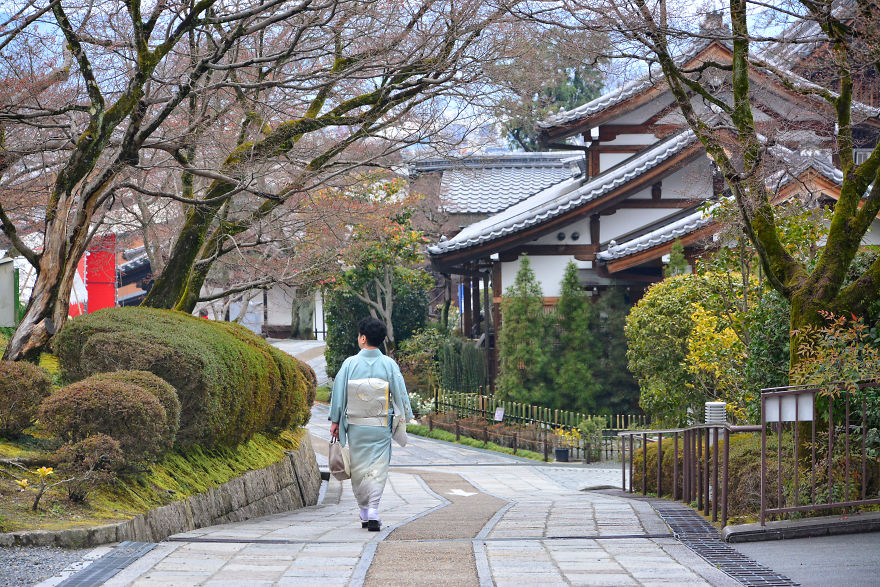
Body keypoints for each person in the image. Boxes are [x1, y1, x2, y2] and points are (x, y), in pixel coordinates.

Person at [329, 317, 413, 531]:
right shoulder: (389, 364)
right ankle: (373, 509)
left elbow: (339, 395)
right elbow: (400, 394)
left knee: (357, 467)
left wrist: (336, 421)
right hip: (380, 425)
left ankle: (364, 511)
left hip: (356, 426)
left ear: (363, 338)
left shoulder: (349, 364)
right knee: (378, 467)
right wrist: (403, 416)